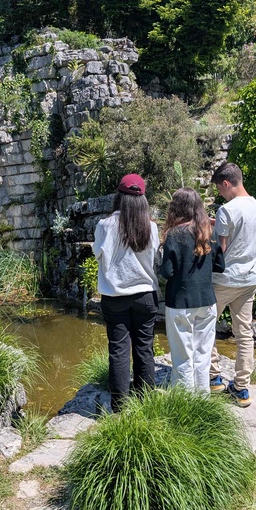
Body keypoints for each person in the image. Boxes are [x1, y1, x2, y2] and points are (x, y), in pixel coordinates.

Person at [93, 173, 160, 411]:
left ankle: (120, 407)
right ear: (143, 199)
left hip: (115, 296)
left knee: (119, 349)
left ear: (119, 196)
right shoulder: (151, 227)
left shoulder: (104, 226)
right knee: (144, 348)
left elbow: (97, 254)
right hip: (145, 295)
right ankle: (146, 402)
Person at [208, 163, 256, 408]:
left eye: (219, 189)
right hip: (250, 278)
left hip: (224, 279)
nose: (220, 194)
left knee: (207, 325)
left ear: (226, 183)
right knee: (244, 334)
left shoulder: (226, 210)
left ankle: (214, 378)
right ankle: (241, 388)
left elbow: (220, 250)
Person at [159, 188, 225, 393]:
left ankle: (185, 401)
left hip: (180, 302)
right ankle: (202, 398)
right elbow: (220, 266)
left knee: (182, 355)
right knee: (203, 354)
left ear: (176, 208)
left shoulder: (174, 235)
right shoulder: (209, 233)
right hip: (206, 301)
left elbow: (167, 272)